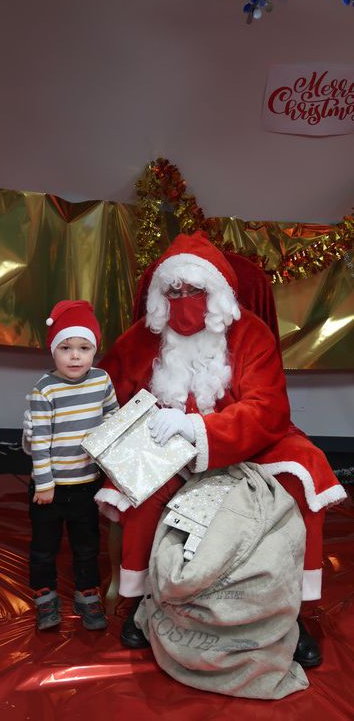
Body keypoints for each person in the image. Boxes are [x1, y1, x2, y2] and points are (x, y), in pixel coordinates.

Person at [94, 230, 347, 664]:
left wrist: (199, 428)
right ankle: (139, 599)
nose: (183, 300)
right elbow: (106, 396)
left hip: (246, 444)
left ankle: (294, 611)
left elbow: (268, 409)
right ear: (159, 295)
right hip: (166, 446)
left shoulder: (251, 333)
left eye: (194, 290)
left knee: (306, 469)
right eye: (173, 290)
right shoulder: (141, 339)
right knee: (134, 484)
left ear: (217, 293)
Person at [25, 299, 119, 631]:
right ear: (54, 351)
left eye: (83, 347)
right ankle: (45, 594)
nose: (75, 356)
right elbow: (39, 441)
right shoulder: (44, 390)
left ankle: (87, 592)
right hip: (50, 486)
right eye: (66, 348)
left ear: (94, 350)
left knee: (86, 543)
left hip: (85, 483)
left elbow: (112, 419)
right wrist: (45, 484)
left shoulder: (101, 381)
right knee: (44, 544)